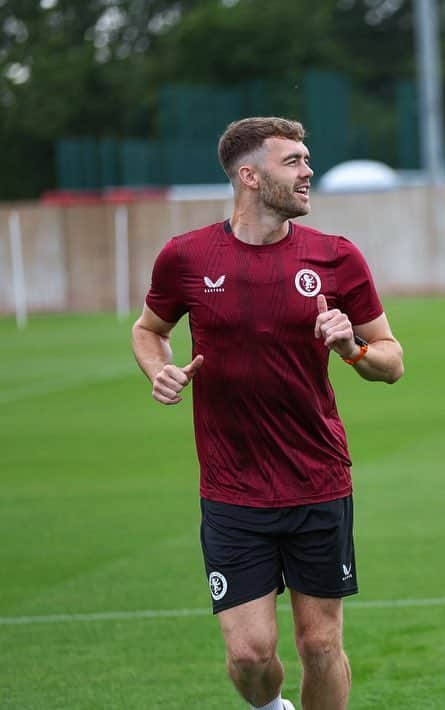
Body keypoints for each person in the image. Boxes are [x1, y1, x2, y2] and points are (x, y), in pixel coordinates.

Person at [131, 116, 404, 710]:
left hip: (317, 480)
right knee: (250, 657)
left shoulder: (336, 258)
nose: (308, 171)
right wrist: (160, 370)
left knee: (320, 644)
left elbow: (392, 360)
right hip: (232, 489)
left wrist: (351, 347)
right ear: (249, 176)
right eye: (294, 161)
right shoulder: (186, 257)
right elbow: (149, 330)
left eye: (307, 159)